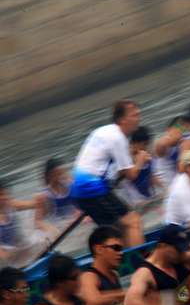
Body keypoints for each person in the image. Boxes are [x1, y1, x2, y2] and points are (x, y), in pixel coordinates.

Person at [70, 100, 148, 247]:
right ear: (122, 120)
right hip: (91, 189)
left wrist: (132, 159)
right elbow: (131, 175)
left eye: (139, 114)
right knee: (133, 221)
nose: (139, 118)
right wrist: (140, 160)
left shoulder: (103, 131)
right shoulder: (118, 138)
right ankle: (139, 259)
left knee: (117, 231)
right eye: (134, 115)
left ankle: (125, 255)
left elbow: (112, 169)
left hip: (80, 190)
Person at [124, 224, 190, 305]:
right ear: (162, 246)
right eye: (178, 249)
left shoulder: (178, 260)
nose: (182, 253)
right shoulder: (144, 273)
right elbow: (129, 304)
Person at [79, 226, 125, 305]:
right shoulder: (88, 277)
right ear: (99, 249)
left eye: (121, 249)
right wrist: (125, 294)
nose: (120, 253)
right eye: (116, 248)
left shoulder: (114, 274)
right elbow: (94, 300)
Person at [117, 126, 164, 208]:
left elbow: (151, 176)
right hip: (131, 199)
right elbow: (127, 179)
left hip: (147, 194)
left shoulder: (146, 154)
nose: (146, 147)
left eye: (147, 144)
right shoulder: (124, 157)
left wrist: (164, 188)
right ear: (134, 143)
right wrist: (140, 161)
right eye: (144, 144)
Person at [34, 158, 80, 236]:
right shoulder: (43, 196)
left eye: (63, 172)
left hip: (76, 223)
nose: (63, 175)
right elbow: (38, 222)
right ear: (50, 176)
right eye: (59, 173)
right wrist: (52, 229)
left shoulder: (72, 186)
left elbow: (82, 206)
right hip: (60, 228)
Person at [0, 179, 38, 264]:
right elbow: (3, 255)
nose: (4, 197)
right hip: (5, 256)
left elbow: (34, 204)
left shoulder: (10, 204)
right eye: (1, 195)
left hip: (18, 248)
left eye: (6, 194)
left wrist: (39, 200)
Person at [153, 115, 190, 188]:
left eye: (184, 130)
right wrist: (173, 139)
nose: (181, 132)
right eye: (179, 128)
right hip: (167, 187)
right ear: (169, 129)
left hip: (176, 185)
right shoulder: (163, 142)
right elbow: (161, 145)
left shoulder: (185, 141)